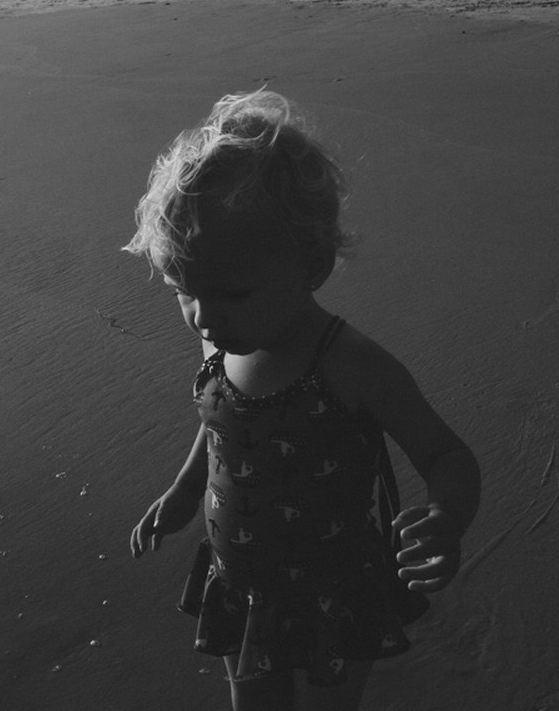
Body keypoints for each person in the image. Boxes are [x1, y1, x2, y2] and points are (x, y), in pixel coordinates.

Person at [126, 90, 481, 711]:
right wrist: (184, 493)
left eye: (231, 293)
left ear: (311, 265)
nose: (204, 317)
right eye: (186, 291)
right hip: (240, 586)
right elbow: (220, 423)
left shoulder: (351, 365)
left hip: (333, 595)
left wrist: (446, 520)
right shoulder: (226, 340)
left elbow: (447, 455)